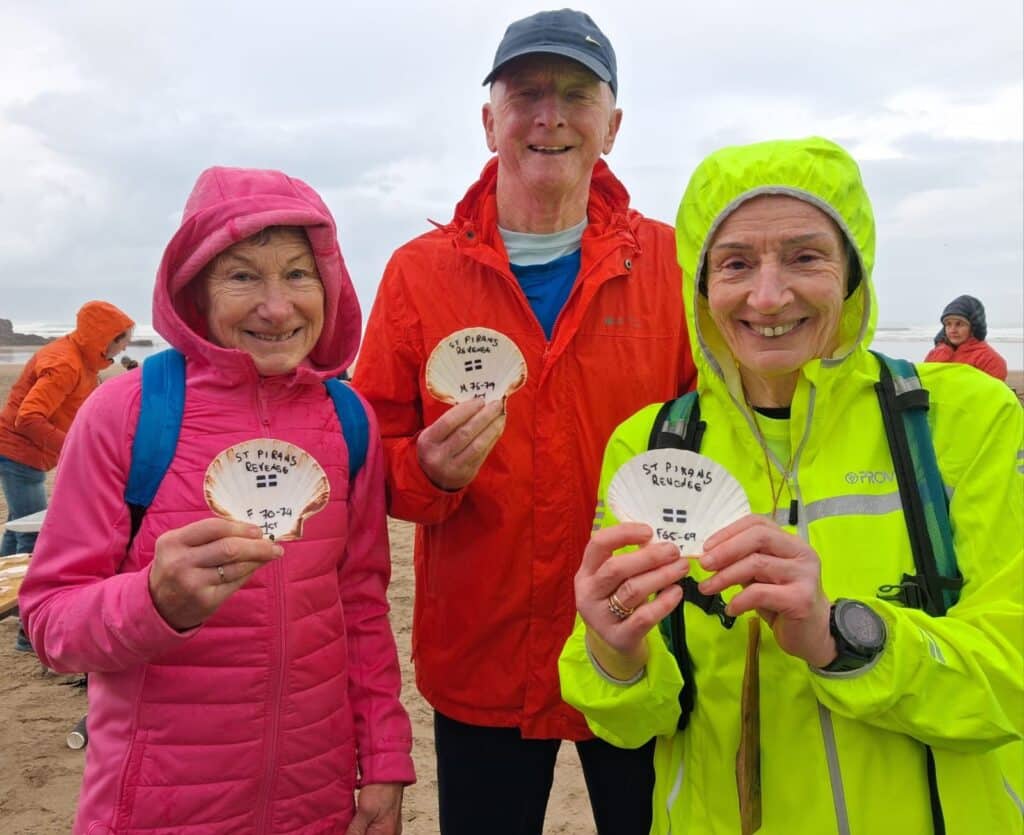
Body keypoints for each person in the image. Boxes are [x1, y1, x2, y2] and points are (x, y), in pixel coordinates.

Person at [560, 137, 1023, 833]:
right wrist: (614, 652)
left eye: (806, 257)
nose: (768, 295)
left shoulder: (963, 418)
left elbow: (1011, 683)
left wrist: (841, 636)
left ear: (853, 271)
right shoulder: (652, 444)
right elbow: (629, 725)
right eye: (735, 263)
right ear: (700, 286)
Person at [353, 9, 696, 834]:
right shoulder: (418, 274)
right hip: (482, 654)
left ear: (612, 125)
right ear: (489, 120)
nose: (550, 116)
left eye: (576, 95)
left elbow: (726, 445)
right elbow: (366, 460)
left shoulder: (674, 264)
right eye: (527, 94)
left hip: (642, 642)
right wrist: (427, 474)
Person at [19, 167, 415, 834]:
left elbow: (362, 606)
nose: (277, 307)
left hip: (314, 804)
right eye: (242, 276)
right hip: (157, 806)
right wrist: (152, 602)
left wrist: (383, 760)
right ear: (195, 291)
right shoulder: (129, 412)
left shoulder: (349, 420)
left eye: (298, 273)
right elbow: (49, 622)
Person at [0, 300, 134, 556]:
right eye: (124, 341)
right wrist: (74, 448)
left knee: (17, 526)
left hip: (28, 454)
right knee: (33, 533)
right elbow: (28, 417)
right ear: (105, 338)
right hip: (19, 453)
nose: (126, 347)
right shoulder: (65, 364)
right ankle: (27, 581)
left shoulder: (84, 359)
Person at [925, 294, 1008, 380]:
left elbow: (993, 388)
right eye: (948, 324)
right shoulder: (935, 354)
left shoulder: (990, 361)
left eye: (959, 324)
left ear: (974, 327)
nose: (952, 330)